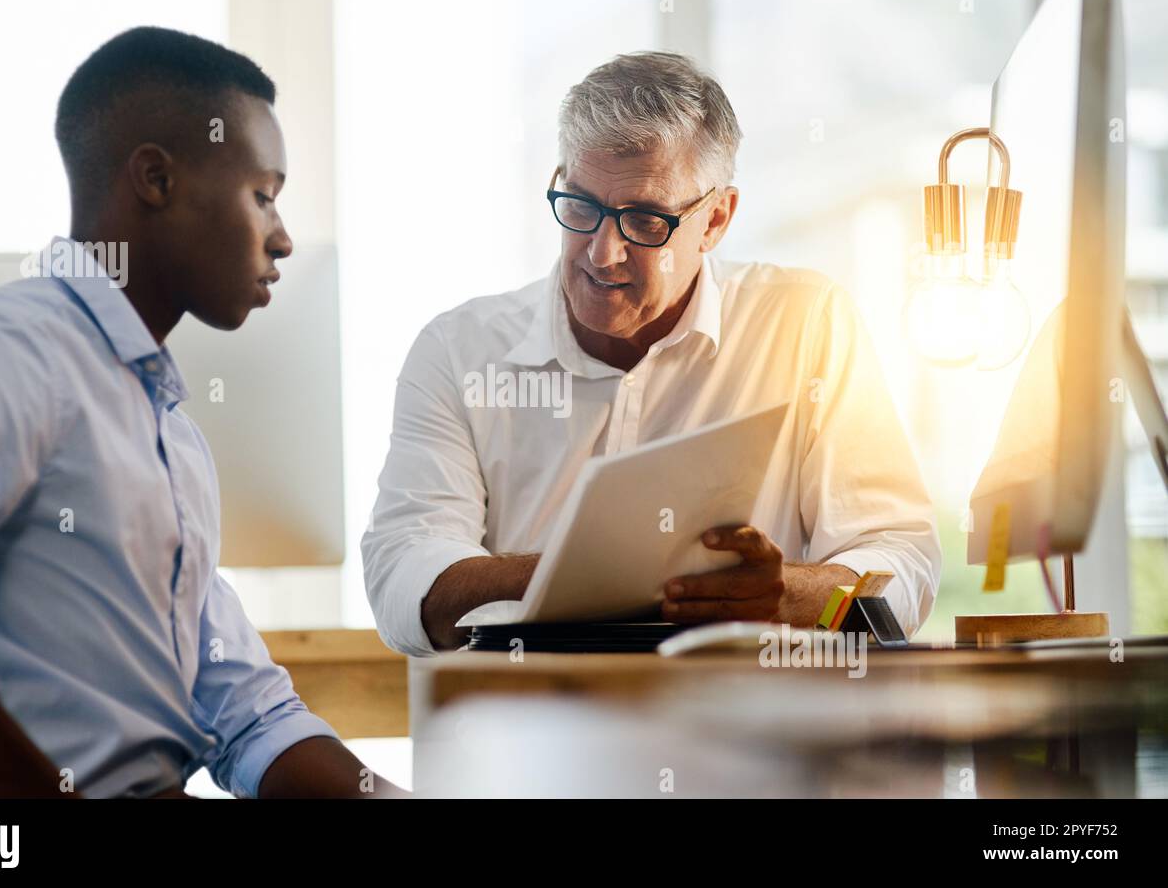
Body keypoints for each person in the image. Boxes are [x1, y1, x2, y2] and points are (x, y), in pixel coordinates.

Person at [0, 27, 396, 798]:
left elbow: (248, 714)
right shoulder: (2, 351)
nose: (281, 238)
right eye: (263, 195)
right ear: (155, 178)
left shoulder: (169, 433)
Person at [362, 52, 940, 655]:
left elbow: (902, 558)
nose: (601, 253)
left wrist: (791, 594)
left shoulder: (806, 324)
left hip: (749, 734)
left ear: (715, 219)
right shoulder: (459, 351)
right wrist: (587, 575)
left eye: (643, 220)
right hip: (531, 730)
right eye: (581, 207)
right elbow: (406, 583)